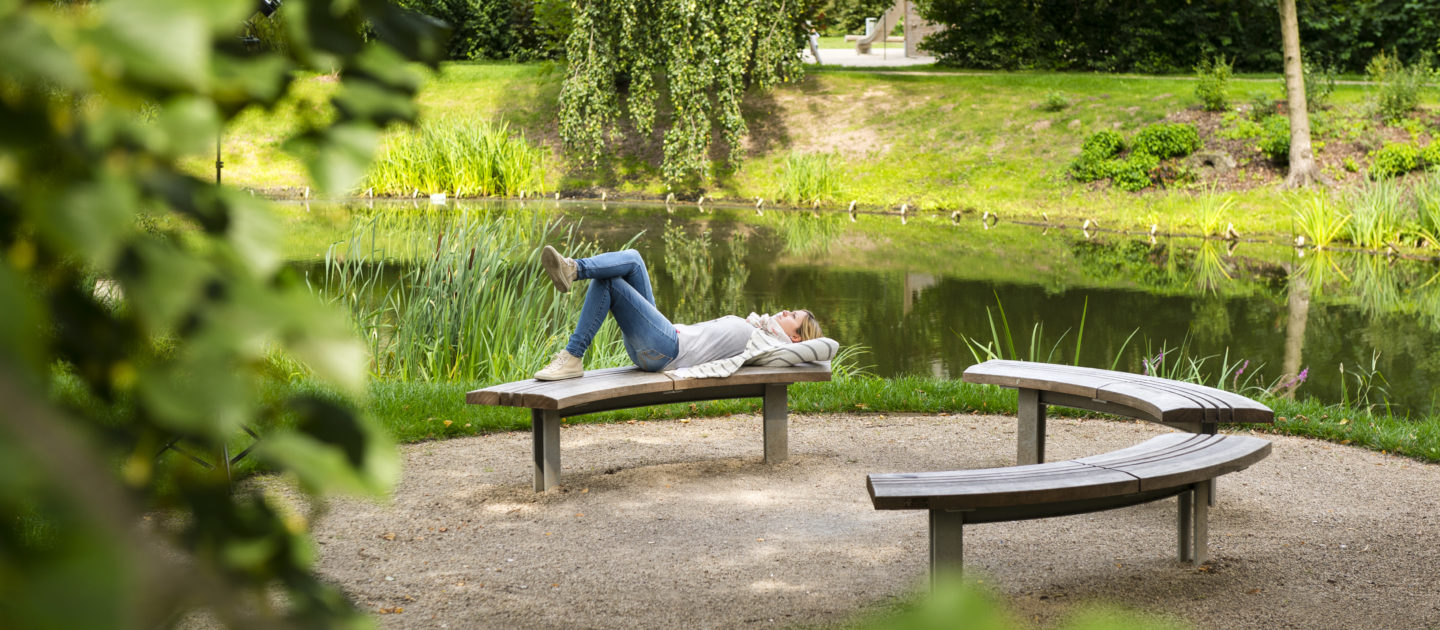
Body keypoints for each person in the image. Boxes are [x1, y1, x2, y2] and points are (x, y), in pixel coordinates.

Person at [534, 246, 823, 381]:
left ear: (795, 337)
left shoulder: (769, 345)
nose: (785, 311)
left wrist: (805, 346)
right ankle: (573, 269)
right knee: (633, 259)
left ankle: (573, 356)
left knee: (608, 282)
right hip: (664, 339)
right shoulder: (759, 330)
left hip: (665, 351)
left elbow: (821, 349)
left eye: (792, 315)